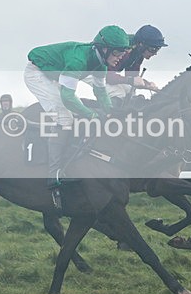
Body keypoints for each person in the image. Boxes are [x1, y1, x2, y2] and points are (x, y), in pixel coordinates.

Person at [24, 25, 130, 190]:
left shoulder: (100, 65)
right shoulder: (78, 60)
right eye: (117, 52)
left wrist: (111, 113)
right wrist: (92, 115)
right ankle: (54, 173)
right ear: (104, 49)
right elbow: (68, 98)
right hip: (37, 73)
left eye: (122, 53)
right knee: (65, 118)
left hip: (53, 73)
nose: (120, 58)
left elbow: (101, 92)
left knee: (76, 113)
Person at [106, 25, 166, 103]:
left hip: (106, 72)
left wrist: (147, 84)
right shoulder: (125, 51)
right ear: (141, 44)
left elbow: (132, 77)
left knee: (129, 90)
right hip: (92, 69)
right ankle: (107, 114)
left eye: (158, 49)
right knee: (119, 94)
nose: (155, 53)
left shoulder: (138, 53)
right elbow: (107, 77)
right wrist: (131, 80)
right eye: (153, 49)